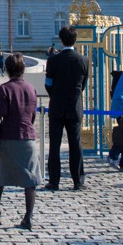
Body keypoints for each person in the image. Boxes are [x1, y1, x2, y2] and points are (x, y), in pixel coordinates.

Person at [0, 53, 41, 230]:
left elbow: (2, 112)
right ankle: (28, 217)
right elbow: (32, 115)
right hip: (29, 138)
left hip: (9, 136)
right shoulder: (31, 88)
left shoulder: (5, 88)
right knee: (30, 179)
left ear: (7, 70)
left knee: (1, 174)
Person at [44, 26, 88, 191]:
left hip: (56, 105)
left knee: (54, 145)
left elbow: (48, 84)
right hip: (74, 106)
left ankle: (54, 181)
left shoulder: (53, 60)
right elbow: (82, 85)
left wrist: (55, 95)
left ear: (61, 40)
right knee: (75, 144)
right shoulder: (83, 60)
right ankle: (78, 181)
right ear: (75, 40)